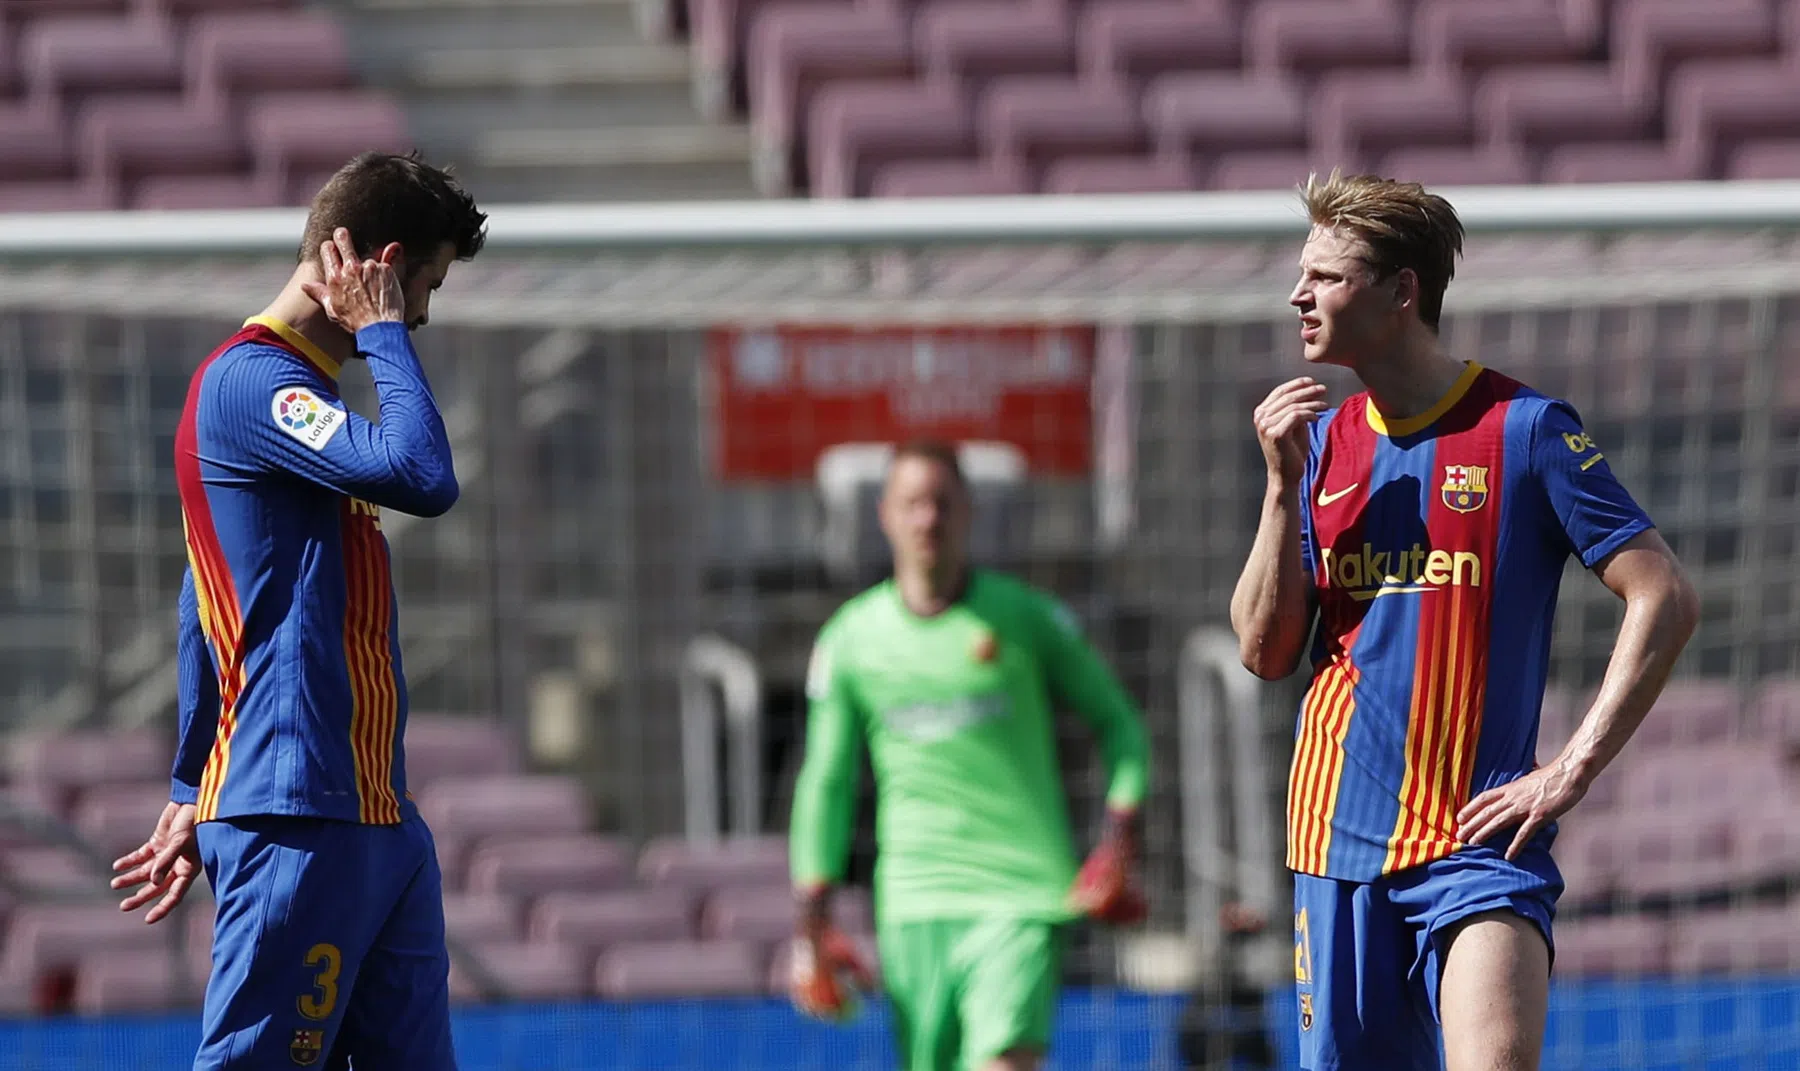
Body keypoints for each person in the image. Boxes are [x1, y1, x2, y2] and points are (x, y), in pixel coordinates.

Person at [1229, 171, 1701, 1071]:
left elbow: (1665, 593)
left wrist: (1571, 767)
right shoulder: (1321, 445)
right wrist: (1281, 487)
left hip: (1480, 838)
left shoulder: (1524, 430)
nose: (1299, 294)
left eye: (1327, 275)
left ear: (1402, 291)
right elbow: (1265, 650)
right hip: (1337, 839)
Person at [109, 151, 487, 1070]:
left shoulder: (306, 406)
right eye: (424, 286)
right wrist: (387, 333)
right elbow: (424, 477)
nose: (424, 314)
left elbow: (200, 602)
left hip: (373, 811)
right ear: (381, 267)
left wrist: (186, 786)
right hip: (295, 805)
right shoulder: (249, 386)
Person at [786, 439, 1152, 1071]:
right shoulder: (851, 640)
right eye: (912, 504)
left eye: (942, 503)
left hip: (1021, 897)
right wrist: (813, 914)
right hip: (912, 906)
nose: (928, 519)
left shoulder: (1025, 617)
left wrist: (1119, 834)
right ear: (885, 516)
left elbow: (1120, 725)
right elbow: (827, 782)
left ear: (969, 513)